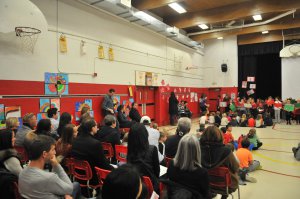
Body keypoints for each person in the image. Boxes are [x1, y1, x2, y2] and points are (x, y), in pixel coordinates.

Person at [72, 118, 113, 193]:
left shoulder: (74, 140)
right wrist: (114, 170)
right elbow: (103, 164)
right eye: (96, 126)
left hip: (78, 175)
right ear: (92, 128)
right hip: (93, 177)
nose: (97, 127)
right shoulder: (95, 143)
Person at [167, 134, 210, 199]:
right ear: (197, 149)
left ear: (180, 148)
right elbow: (205, 194)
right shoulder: (202, 173)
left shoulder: (171, 164)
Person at [200, 126, 239, 199]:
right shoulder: (226, 151)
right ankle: (224, 196)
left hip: (205, 183)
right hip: (226, 186)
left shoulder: (198, 149)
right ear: (220, 136)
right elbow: (235, 167)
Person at [127, 123, 160, 193]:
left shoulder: (130, 149)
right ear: (145, 135)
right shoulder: (152, 149)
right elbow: (157, 172)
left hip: (134, 184)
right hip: (150, 187)